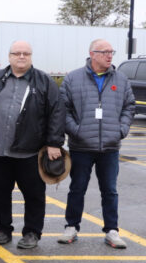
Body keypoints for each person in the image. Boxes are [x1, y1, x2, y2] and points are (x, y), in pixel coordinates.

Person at [0, 40, 65, 249]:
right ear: (9, 56)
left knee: (33, 195)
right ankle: (2, 229)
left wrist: (54, 143)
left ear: (31, 57)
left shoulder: (44, 81)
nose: (21, 57)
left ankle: (32, 232)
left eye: (26, 54)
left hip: (30, 152)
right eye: (17, 53)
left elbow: (57, 112)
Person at [58, 39, 135, 248]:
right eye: (104, 52)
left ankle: (111, 230)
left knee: (110, 190)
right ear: (92, 54)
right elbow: (63, 109)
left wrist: (121, 130)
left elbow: (129, 107)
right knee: (77, 188)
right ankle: (71, 227)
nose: (109, 55)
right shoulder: (73, 78)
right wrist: (77, 131)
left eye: (111, 51)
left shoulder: (121, 79)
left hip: (110, 147)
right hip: (81, 146)